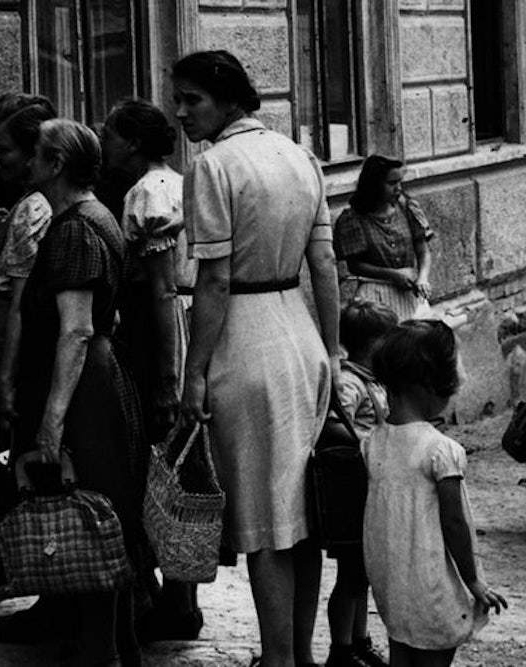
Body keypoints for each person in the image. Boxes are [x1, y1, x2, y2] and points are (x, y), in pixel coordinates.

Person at [173, 50, 341, 667]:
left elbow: (214, 281)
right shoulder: (300, 157)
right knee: (300, 514)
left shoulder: (212, 166)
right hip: (300, 336)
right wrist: (333, 351)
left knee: (269, 519)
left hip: (244, 342)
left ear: (229, 101)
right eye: (179, 99)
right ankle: (298, 654)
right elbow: (324, 263)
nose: (181, 112)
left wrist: (194, 372)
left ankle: (277, 660)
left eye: (192, 99)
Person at [15, 118, 145, 667]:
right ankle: (116, 647)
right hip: (95, 379)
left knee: (89, 515)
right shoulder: (94, 216)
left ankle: (103, 653)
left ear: (57, 164)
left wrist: (52, 420)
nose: (27, 162)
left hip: (85, 387)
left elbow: (76, 329)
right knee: (105, 515)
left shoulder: (75, 228)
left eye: (36, 153)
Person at [100, 96, 200, 640]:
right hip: (169, 324)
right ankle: (178, 596)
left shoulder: (149, 192)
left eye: (111, 135)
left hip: (158, 331)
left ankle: (177, 601)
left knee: (160, 462)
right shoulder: (175, 184)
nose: (104, 144)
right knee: (173, 465)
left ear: (133, 143)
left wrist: (167, 379)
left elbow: (162, 290)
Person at [364, 320, 506, 667]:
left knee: (401, 650)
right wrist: (473, 581)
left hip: (393, 583)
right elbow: (454, 523)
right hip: (433, 585)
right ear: (431, 384)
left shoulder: (373, 443)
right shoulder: (440, 451)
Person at [0, 93, 56, 459]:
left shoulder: (32, 210)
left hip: (5, 356)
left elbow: (21, 304)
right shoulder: (25, 203)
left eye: (4, 150)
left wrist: (7, 381)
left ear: (34, 152)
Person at [324, 301, 397, 667]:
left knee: (363, 574)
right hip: (354, 489)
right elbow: (332, 423)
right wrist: (365, 440)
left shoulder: (373, 381)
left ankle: (359, 641)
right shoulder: (351, 383)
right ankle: (341, 649)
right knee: (351, 573)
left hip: (371, 488)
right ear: (374, 344)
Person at [334, 155, 435, 321]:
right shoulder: (353, 219)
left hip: (408, 294)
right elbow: (355, 265)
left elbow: (422, 249)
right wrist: (392, 275)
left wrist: (422, 277)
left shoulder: (407, 208)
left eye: (400, 182)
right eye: (392, 183)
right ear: (374, 184)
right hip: (374, 295)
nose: (398, 189)